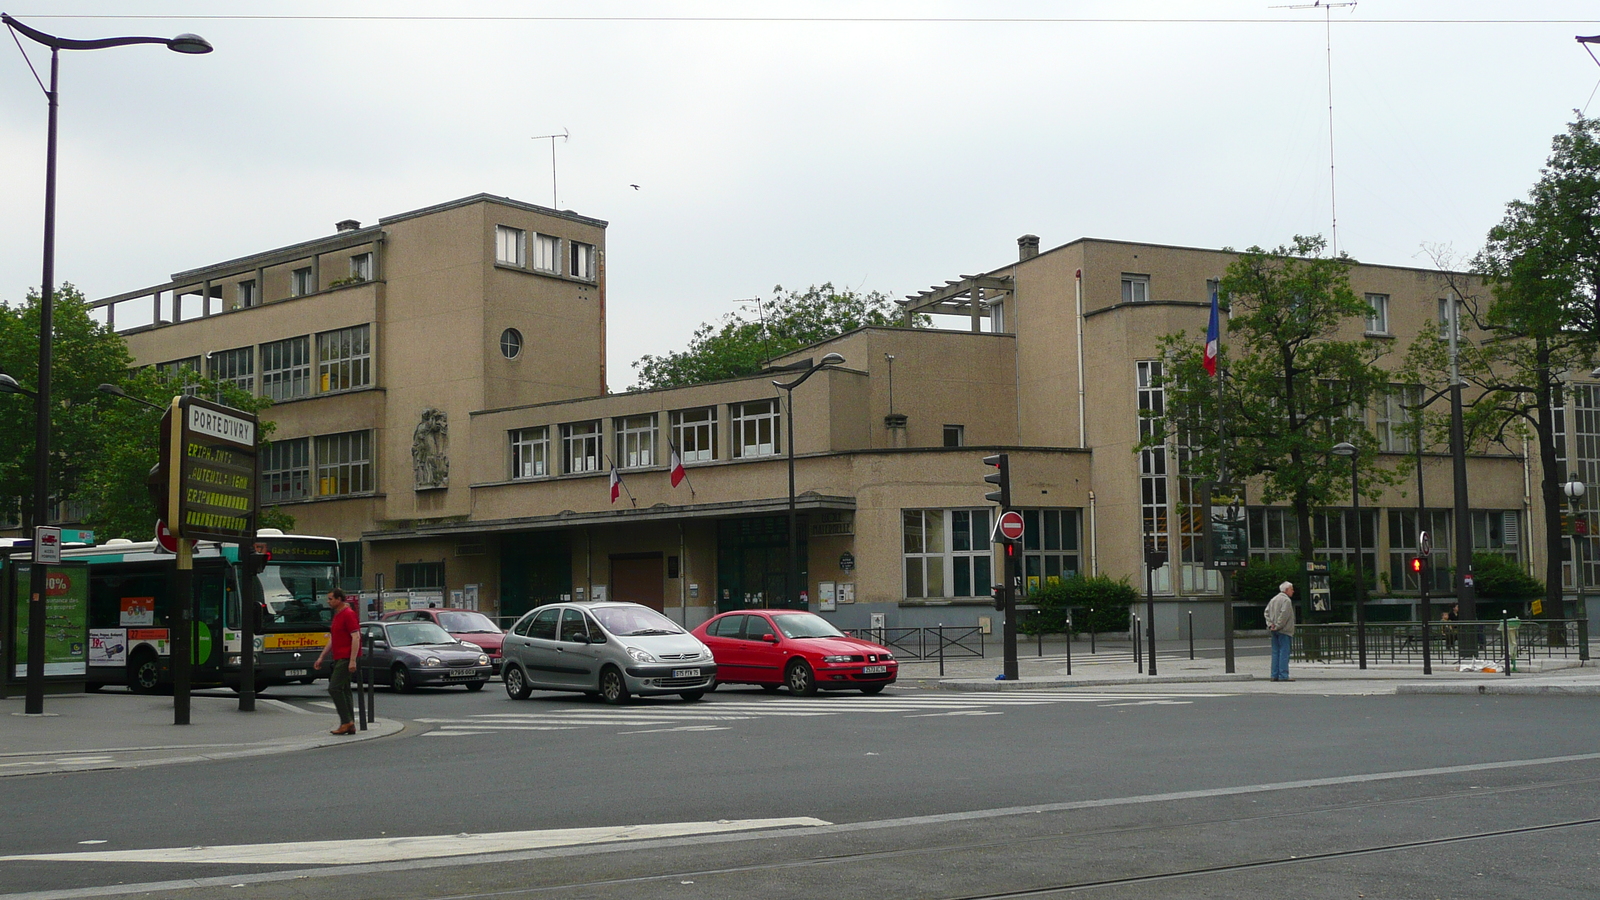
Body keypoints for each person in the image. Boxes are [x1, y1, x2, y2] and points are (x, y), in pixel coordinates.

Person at [313, 587, 361, 735]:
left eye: (331, 599)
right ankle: (350, 723)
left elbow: (356, 636)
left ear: (339, 599)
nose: (328, 601)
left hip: (346, 657)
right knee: (344, 689)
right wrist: (321, 656)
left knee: (334, 688)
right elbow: (333, 638)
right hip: (340, 656)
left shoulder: (348, 614)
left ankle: (346, 721)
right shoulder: (338, 615)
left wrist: (352, 660)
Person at [1264, 581, 1296, 682]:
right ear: (1286, 590)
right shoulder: (1286, 600)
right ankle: (1283, 675)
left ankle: (1274, 675)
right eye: (1291, 589)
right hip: (1284, 630)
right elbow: (1284, 615)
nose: (1293, 591)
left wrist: (1270, 625)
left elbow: (1266, 613)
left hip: (1274, 630)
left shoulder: (1273, 599)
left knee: (1275, 652)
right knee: (1284, 652)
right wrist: (1278, 625)